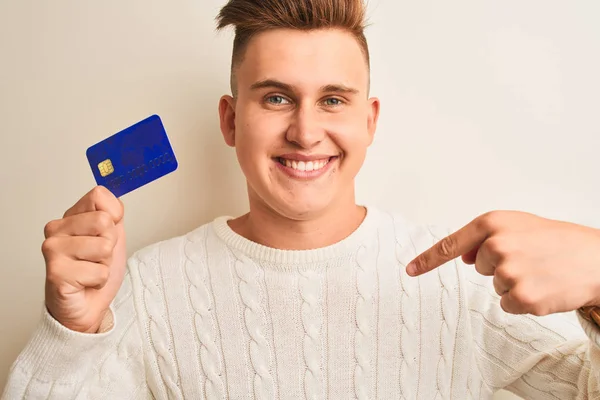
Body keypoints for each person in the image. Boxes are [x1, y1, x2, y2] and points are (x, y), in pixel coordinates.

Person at [3, 0, 600, 398]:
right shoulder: (146, 290)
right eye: (276, 98)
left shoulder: (458, 283)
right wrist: (70, 334)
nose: (307, 131)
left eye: (334, 100)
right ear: (230, 120)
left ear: (369, 122)